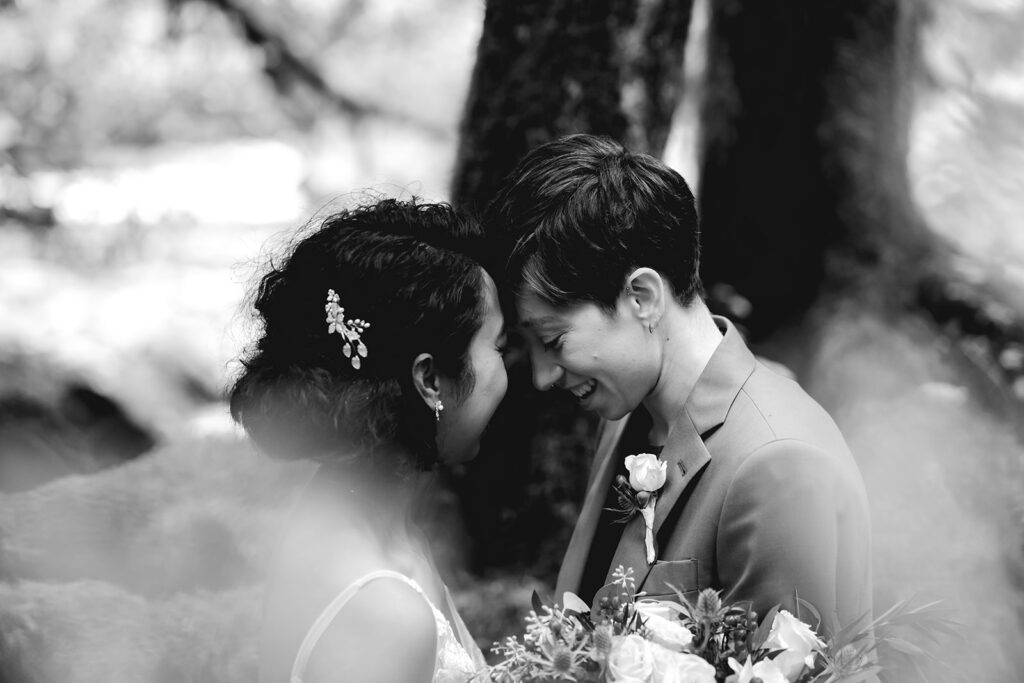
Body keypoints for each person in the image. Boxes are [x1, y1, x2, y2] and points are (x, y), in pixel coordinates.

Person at [485, 134, 873, 637]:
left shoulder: (778, 463)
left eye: (554, 340)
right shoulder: (626, 415)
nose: (542, 377)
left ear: (642, 297)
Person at [230, 198, 506, 683]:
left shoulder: (361, 512)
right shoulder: (383, 614)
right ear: (430, 380)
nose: (511, 372)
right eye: (498, 346)